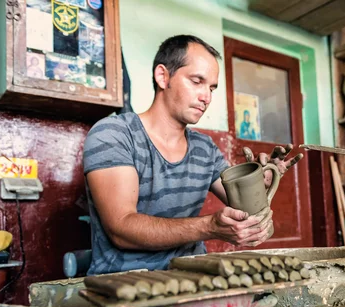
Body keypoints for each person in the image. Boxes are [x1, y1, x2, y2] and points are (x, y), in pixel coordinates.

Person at [82, 35, 302, 275]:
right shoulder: (114, 133)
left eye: (211, 88)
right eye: (197, 81)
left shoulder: (204, 149)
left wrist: (260, 183)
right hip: (124, 287)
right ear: (163, 76)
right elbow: (121, 229)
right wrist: (209, 226)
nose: (206, 97)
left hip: (195, 278)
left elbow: (245, 211)